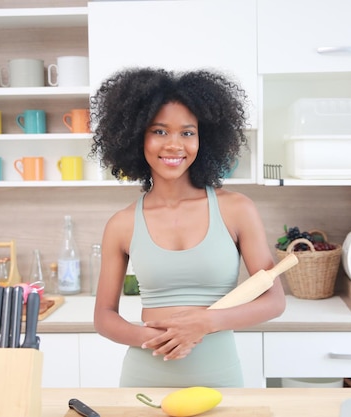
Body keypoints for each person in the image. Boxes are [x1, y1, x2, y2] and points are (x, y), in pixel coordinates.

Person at [90, 67, 286, 388]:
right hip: (144, 377)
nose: (174, 145)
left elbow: (274, 301)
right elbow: (104, 316)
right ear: (136, 136)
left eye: (187, 132)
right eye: (159, 131)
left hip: (219, 378)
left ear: (203, 139)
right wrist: (148, 338)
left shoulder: (236, 209)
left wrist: (206, 322)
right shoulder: (122, 224)